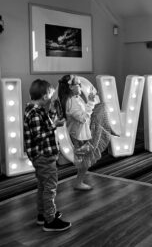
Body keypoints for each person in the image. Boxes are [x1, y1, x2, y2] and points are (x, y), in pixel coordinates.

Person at [23, 79, 71, 232]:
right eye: (50, 95)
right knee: (50, 187)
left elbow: (46, 121)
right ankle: (50, 220)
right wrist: (54, 125)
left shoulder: (37, 109)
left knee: (43, 185)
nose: (51, 97)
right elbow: (39, 135)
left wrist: (52, 114)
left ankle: (42, 214)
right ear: (44, 96)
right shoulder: (35, 113)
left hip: (42, 156)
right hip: (43, 156)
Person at [58, 75, 108, 191]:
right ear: (70, 87)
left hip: (82, 133)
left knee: (86, 158)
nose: (80, 86)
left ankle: (79, 180)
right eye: (78, 84)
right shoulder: (71, 102)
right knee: (85, 159)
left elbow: (85, 112)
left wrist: (90, 102)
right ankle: (78, 182)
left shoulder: (77, 98)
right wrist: (91, 103)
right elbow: (83, 118)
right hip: (79, 135)